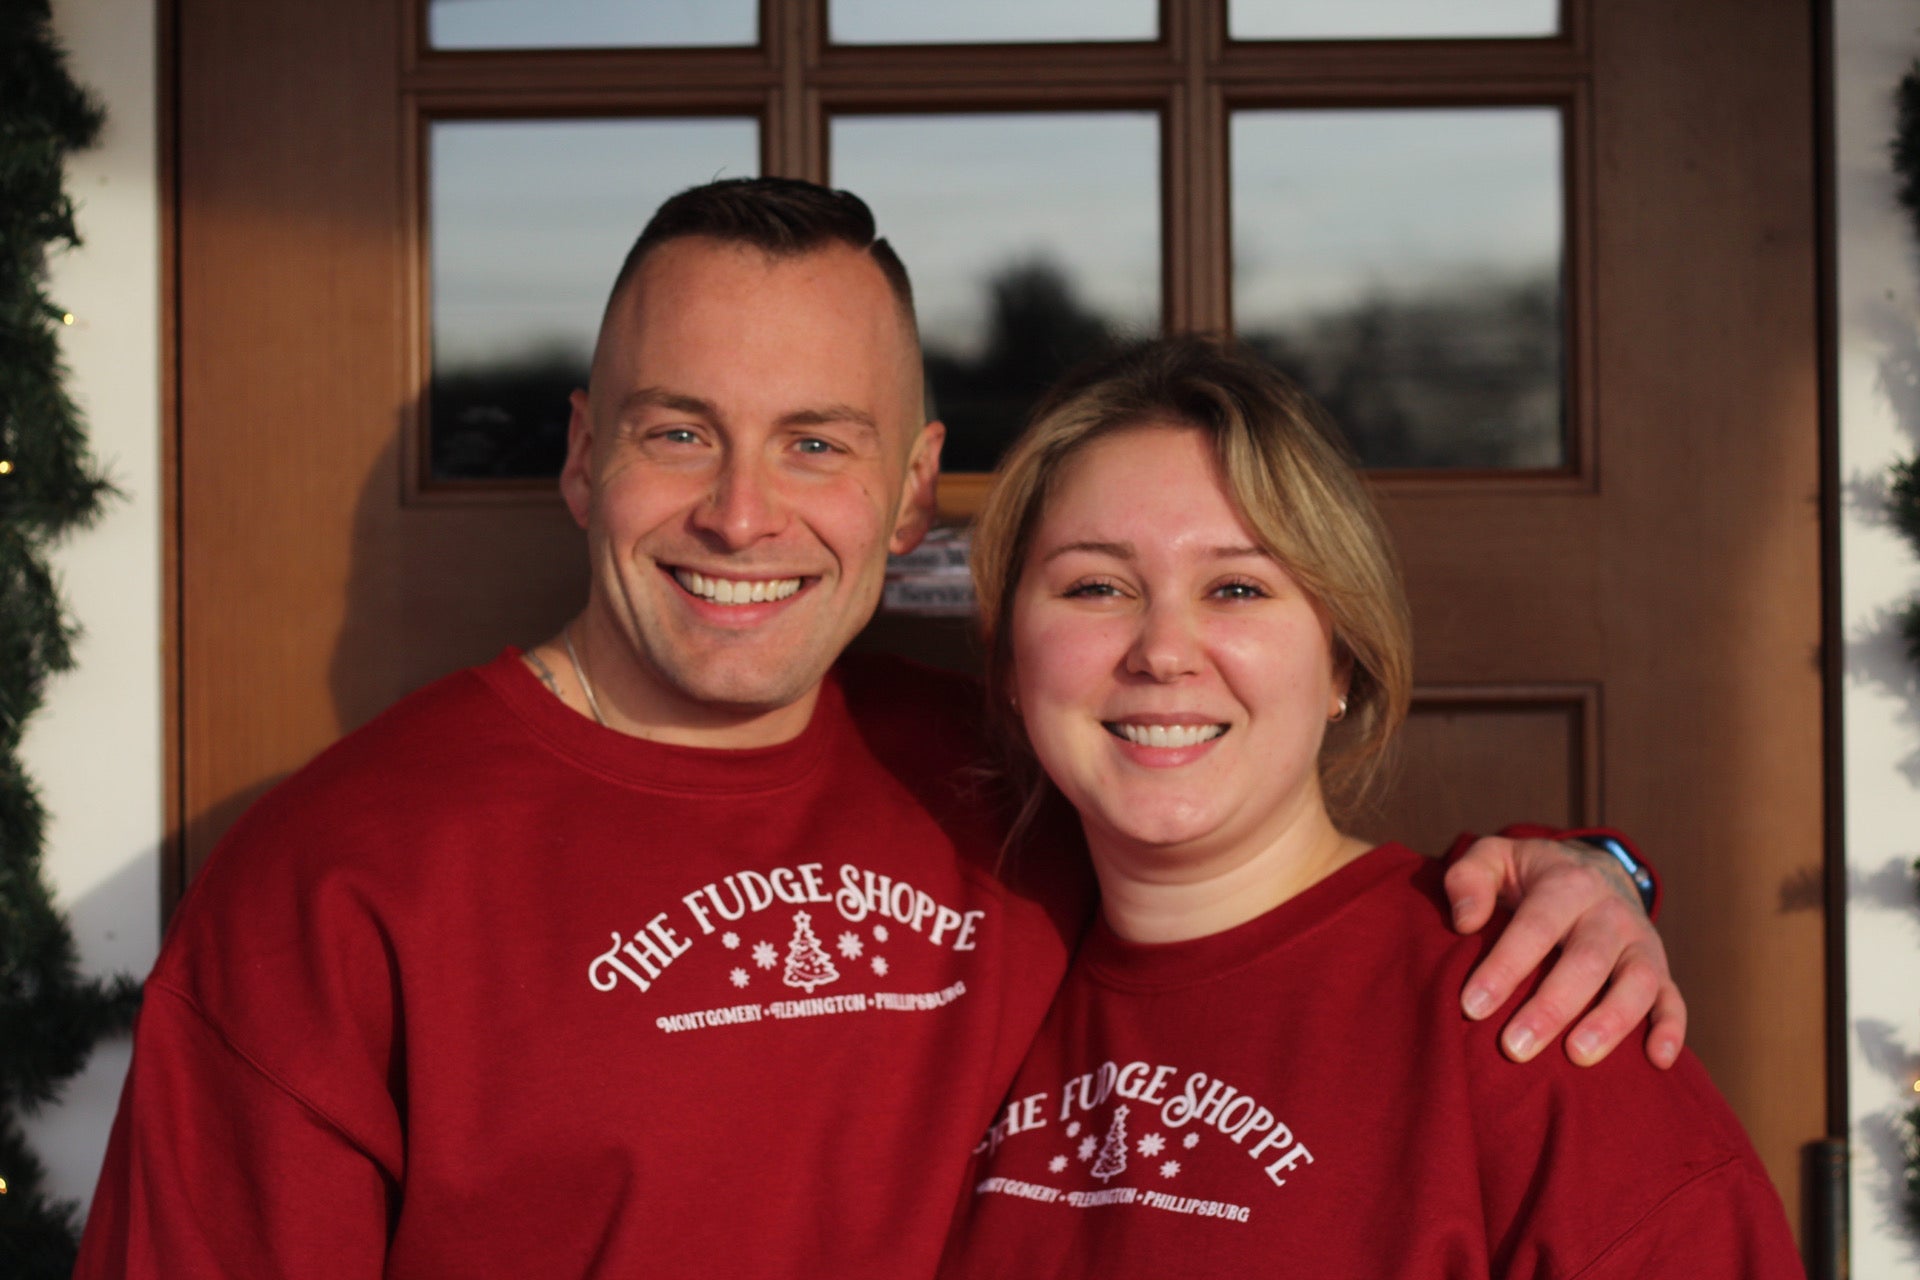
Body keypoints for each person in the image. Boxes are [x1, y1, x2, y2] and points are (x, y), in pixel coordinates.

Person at [78, 180, 1681, 1277]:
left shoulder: (1010, 772)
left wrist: (1582, 876)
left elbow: (1265, 879)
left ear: (912, 486)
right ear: (582, 458)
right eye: (677, 431)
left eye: (816, 442)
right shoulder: (338, 880)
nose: (741, 512)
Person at [941, 336, 1801, 1277]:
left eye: (1237, 587)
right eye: (1097, 586)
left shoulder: (1534, 1010)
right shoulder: (948, 982)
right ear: (1012, 662)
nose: (1164, 651)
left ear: (1341, 660)